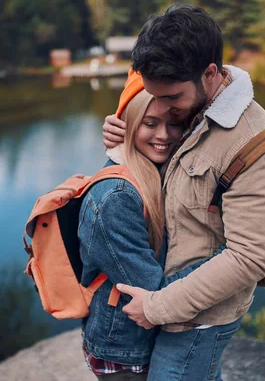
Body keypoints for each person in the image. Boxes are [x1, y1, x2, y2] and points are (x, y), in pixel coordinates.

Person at [103, 4, 265, 380]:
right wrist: (122, 141)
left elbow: (250, 258)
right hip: (169, 303)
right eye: (153, 95)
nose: (161, 106)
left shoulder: (255, 145)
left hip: (197, 321)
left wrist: (157, 307)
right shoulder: (190, 105)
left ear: (210, 74)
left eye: (170, 98)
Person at [79, 84, 218, 380]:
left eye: (174, 124)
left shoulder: (156, 168)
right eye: (150, 123)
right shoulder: (116, 197)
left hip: (141, 339)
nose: (164, 135)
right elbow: (148, 287)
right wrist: (222, 264)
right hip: (125, 352)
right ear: (127, 126)